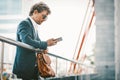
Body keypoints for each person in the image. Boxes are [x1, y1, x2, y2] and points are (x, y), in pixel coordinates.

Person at [12, 2, 57, 80]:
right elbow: (26, 40)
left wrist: (45, 47)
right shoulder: (25, 23)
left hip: (33, 66)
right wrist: (46, 44)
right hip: (25, 67)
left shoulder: (34, 26)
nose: (44, 20)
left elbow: (37, 42)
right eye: (44, 16)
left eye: (46, 18)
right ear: (35, 12)